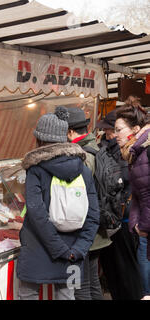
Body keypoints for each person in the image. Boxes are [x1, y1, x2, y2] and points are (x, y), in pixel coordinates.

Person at [18, 106, 100, 300]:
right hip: (73, 252)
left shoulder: (35, 170)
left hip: (37, 250)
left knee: (27, 295)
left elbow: (37, 215)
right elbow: (93, 215)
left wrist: (58, 249)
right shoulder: (83, 168)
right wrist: (78, 249)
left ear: (39, 139)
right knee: (67, 295)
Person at [96, 110, 144, 300]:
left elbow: (130, 186)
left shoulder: (130, 153)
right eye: (111, 130)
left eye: (114, 130)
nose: (111, 134)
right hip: (119, 218)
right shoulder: (112, 151)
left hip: (125, 221)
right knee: (116, 272)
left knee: (127, 271)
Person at [66, 107, 111, 300]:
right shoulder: (97, 148)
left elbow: (77, 197)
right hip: (98, 231)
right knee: (92, 283)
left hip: (83, 233)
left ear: (70, 132)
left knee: (79, 287)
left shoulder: (82, 156)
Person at [115, 96, 150, 299]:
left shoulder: (145, 151)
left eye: (120, 130)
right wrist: (137, 223)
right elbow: (137, 194)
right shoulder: (135, 153)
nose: (116, 134)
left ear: (135, 130)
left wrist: (143, 225)